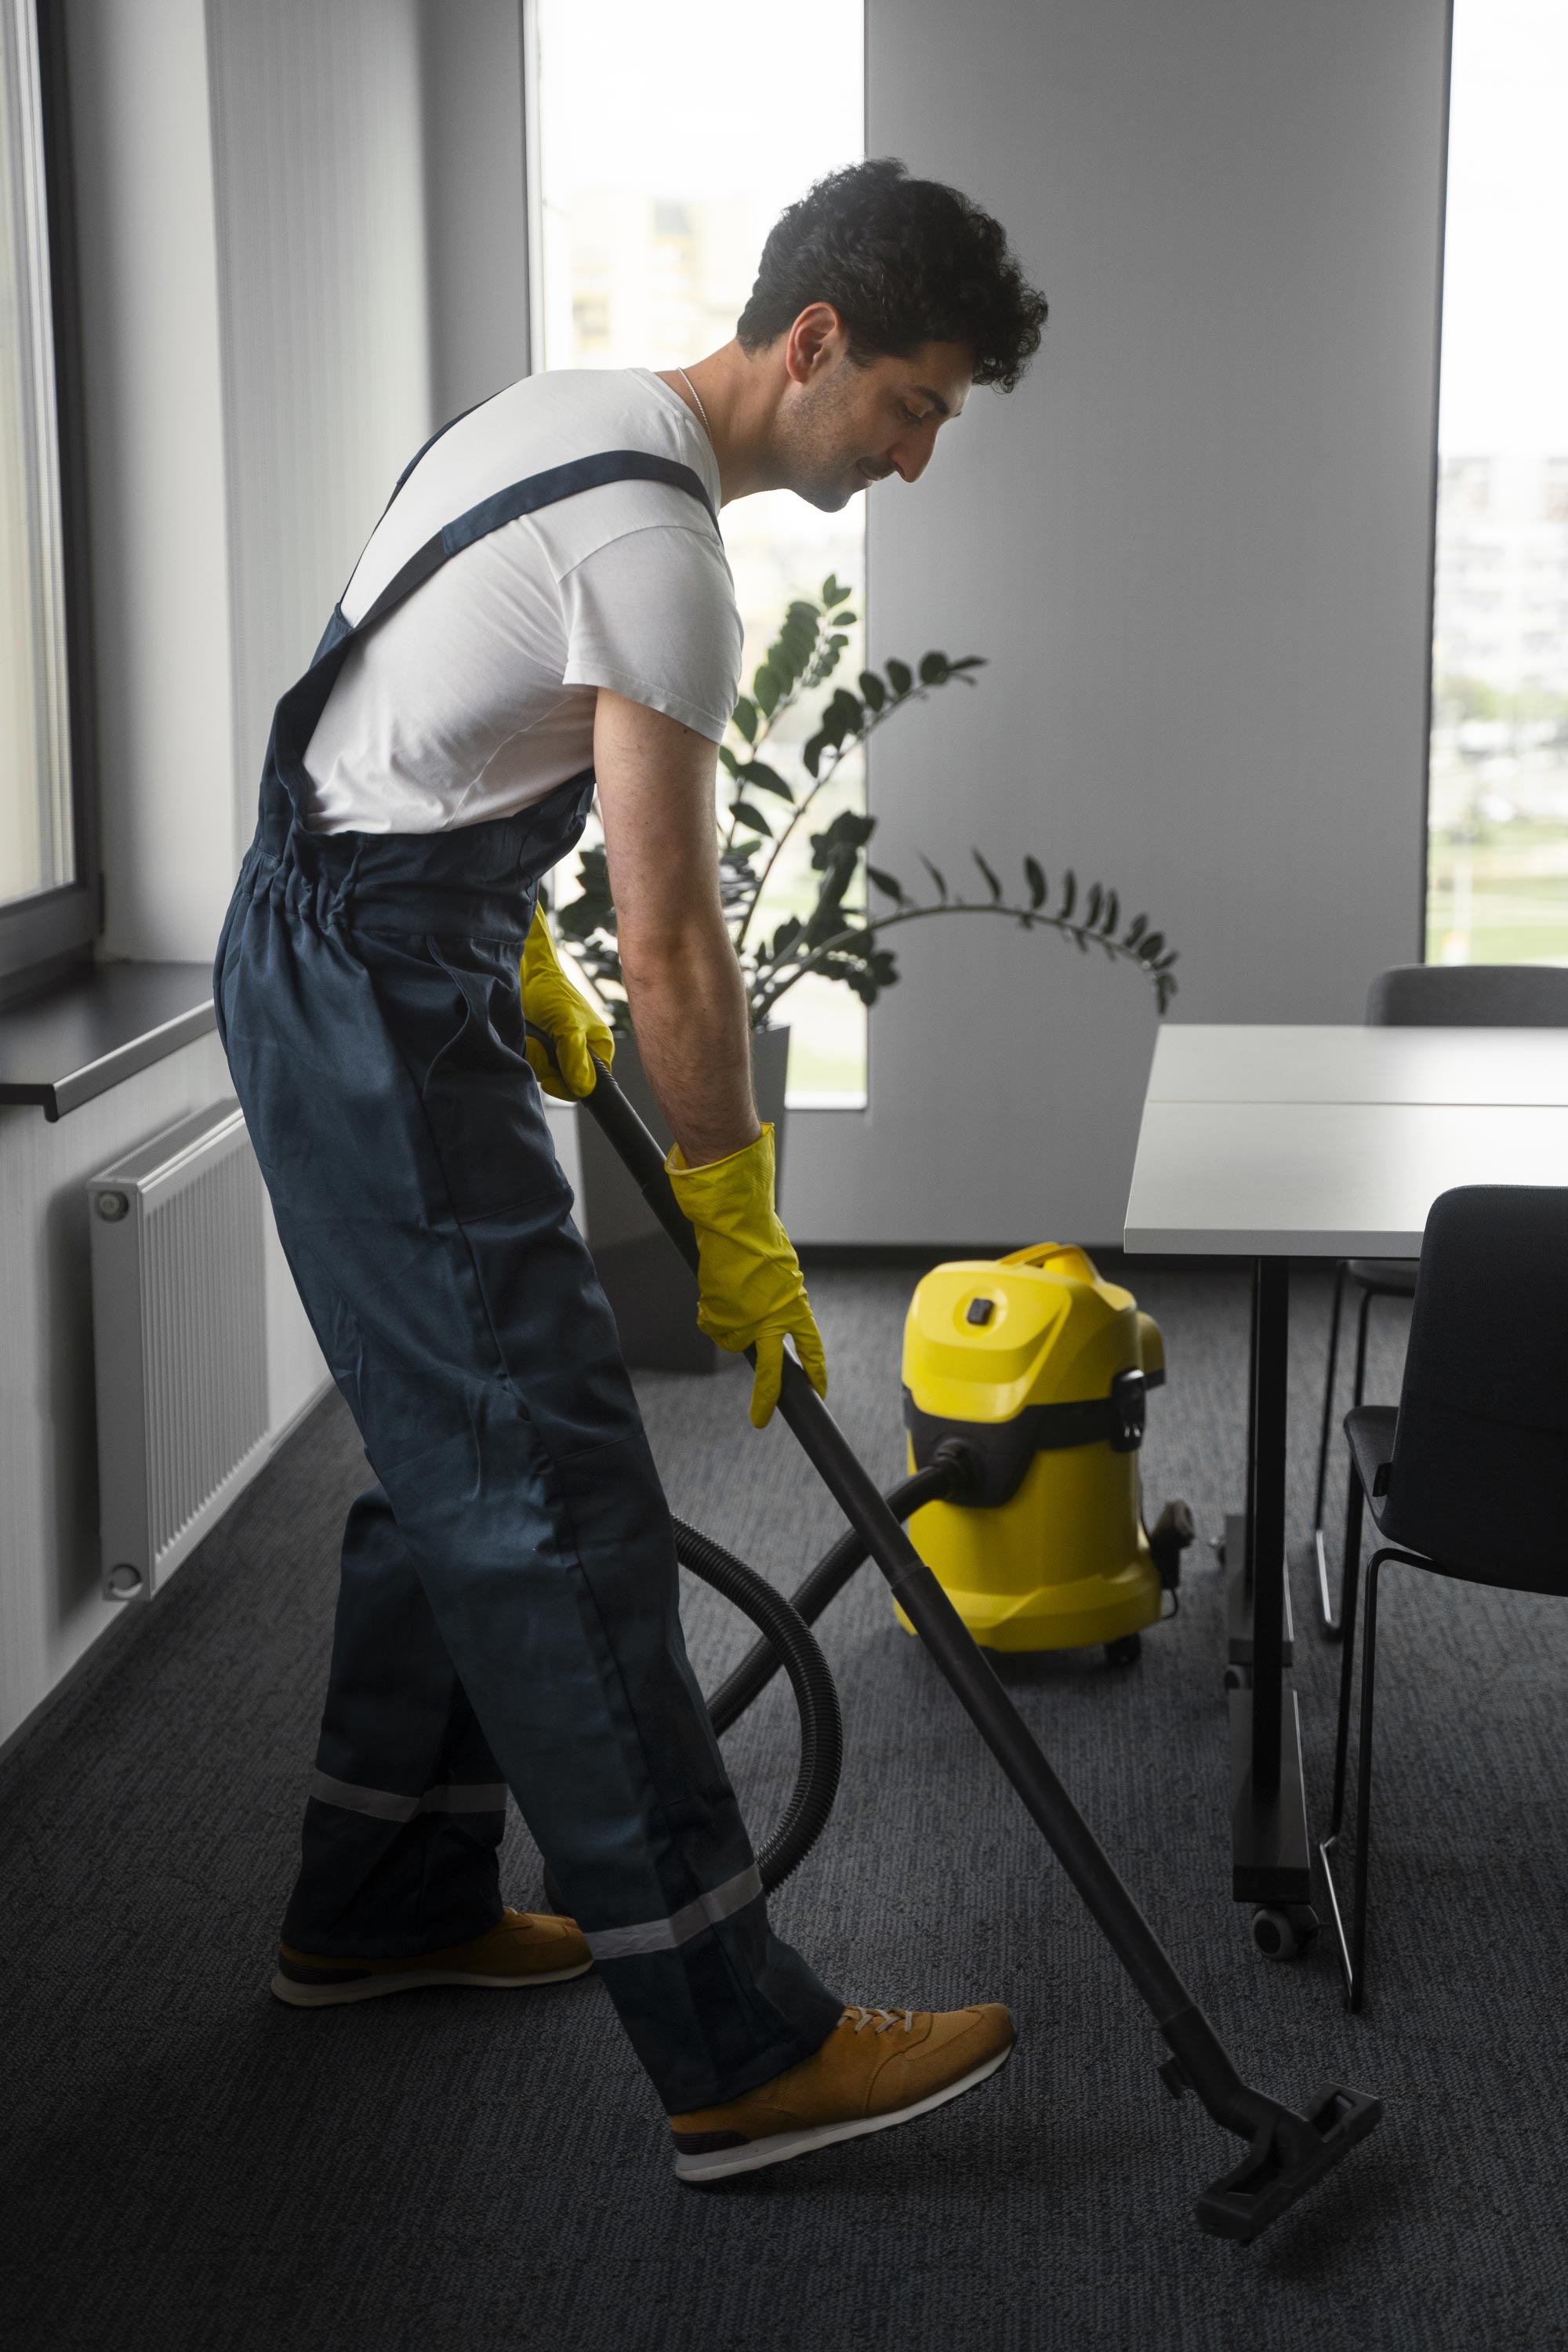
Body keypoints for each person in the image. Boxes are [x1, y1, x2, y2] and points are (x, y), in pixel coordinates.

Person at [215, 156, 1047, 2184]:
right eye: (917, 406)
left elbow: (392, 720)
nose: (919, 459)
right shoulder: (660, 548)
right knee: (556, 1489)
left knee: (457, 1458)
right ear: (817, 343)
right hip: (364, 1003)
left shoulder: (556, 412)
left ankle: (383, 1900)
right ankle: (734, 2038)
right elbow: (678, 938)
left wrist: (491, 945)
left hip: (363, 959)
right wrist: (741, 1226)